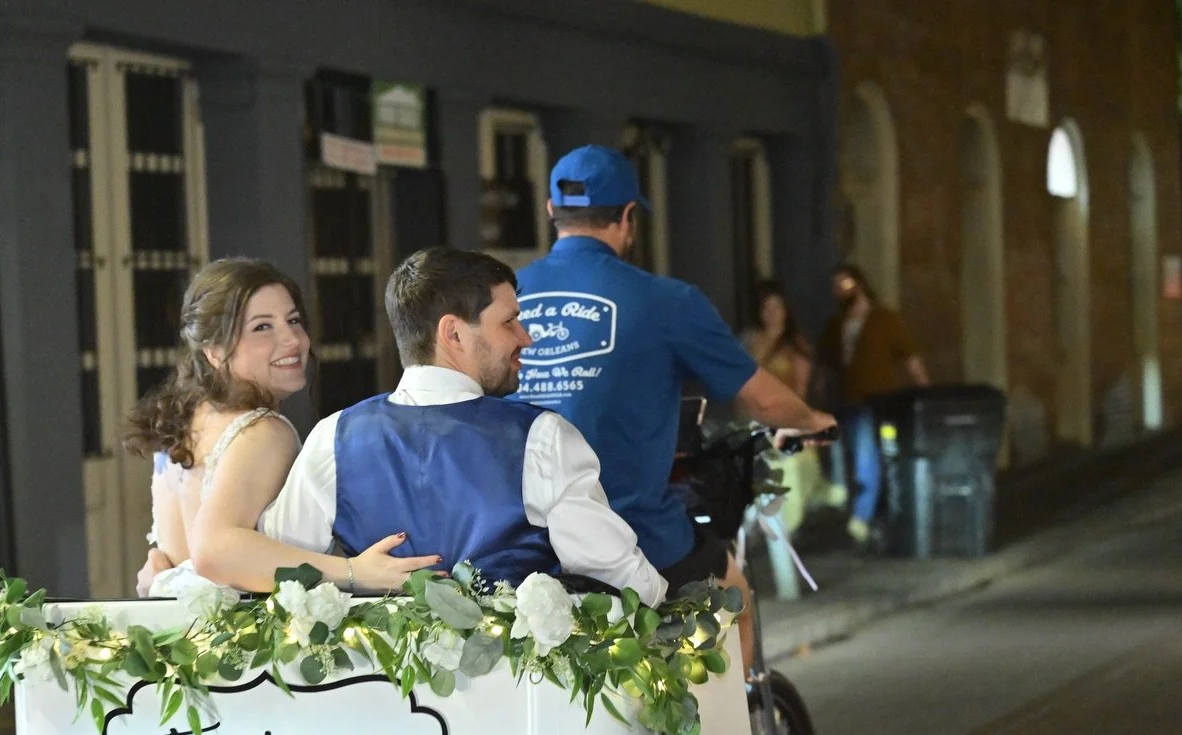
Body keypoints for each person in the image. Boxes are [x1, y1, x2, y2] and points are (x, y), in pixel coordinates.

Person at [513, 144, 836, 668]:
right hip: (633, 532)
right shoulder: (667, 301)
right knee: (735, 593)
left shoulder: (505, 299)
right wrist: (815, 420)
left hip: (519, 541)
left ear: (551, 213)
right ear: (628, 218)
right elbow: (764, 398)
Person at [261, 246, 668, 606]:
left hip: (376, 688)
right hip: (516, 687)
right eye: (509, 322)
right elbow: (625, 583)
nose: (525, 338)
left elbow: (279, 569)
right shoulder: (541, 438)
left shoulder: (332, 437)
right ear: (453, 333)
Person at [125, 257, 438, 597]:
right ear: (214, 350)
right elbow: (213, 551)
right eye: (262, 327)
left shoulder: (186, 421)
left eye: (293, 320)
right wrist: (354, 572)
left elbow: (167, 567)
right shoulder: (263, 431)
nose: (292, 340)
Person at [815, 264, 929, 547]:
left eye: (844, 284)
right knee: (848, 457)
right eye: (836, 286)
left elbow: (909, 355)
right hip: (845, 401)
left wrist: (923, 386)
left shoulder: (883, 319)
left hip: (876, 400)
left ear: (859, 284)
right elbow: (826, 365)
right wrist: (818, 395)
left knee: (867, 454)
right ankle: (859, 512)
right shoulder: (836, 324)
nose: (839, 291)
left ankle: (862, 517)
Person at [743, 281, 834, 533]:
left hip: (783, 421)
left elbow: (801, 390)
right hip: (754, 421)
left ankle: (785, 529)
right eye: (766, 307)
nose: (771, 313)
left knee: (788, 471)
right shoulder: (751, 342)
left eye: (776, 307)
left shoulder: (795, 345)